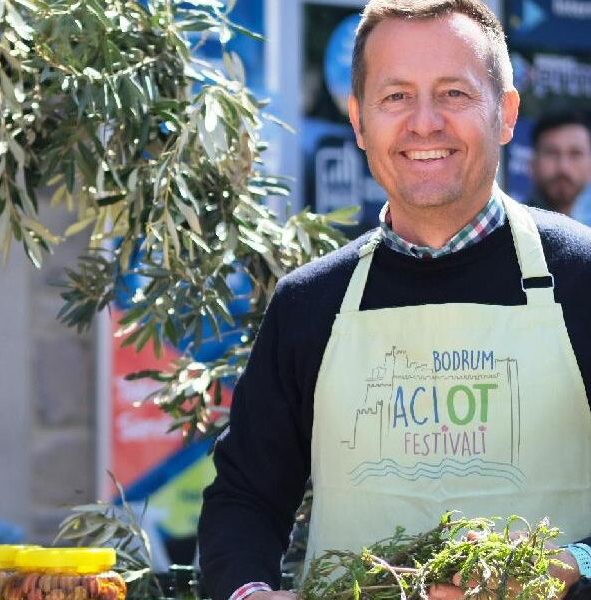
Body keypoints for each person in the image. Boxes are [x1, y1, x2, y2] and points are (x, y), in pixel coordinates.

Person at [197, 1, 591, 600]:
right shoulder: (309, 303)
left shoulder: (582, 277)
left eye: (454, 93)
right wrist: (249, 592)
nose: (424, 123)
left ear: (506, 114)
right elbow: (244, 497)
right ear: (359, 121)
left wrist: (575, 565)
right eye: (396, 96)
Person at [528, 112, 591, 219]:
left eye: (575, 154)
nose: (563, 167)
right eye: (551, 153)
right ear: (532, 164)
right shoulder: (508, 225)